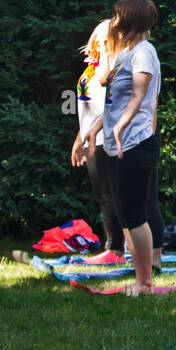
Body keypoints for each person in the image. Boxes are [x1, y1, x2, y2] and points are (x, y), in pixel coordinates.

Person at [78, 0, 163, 295]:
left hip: (137, 143)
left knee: (136, 215)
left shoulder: (143, 53)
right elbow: (114, 103)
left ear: (132, 20)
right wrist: (92, 132)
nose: (113, 22)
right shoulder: (125, 54)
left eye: (117, 16)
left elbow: (139, 96)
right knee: (126, 213)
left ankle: (145, 283)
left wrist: (121, 125)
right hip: (119, 145)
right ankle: (140, 279)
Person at [70, 19, 125, 265]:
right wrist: (79, 139)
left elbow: (113, 105)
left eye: (107, 39)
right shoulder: (91, 68)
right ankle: (115, 247)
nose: (101, 43)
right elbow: (88, 109)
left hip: (107, 138)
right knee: (103, 194)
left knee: (111, 194)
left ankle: (115, 250)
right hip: (91, 137)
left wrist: (91, 134)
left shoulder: (114, 67)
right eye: (99, 39)